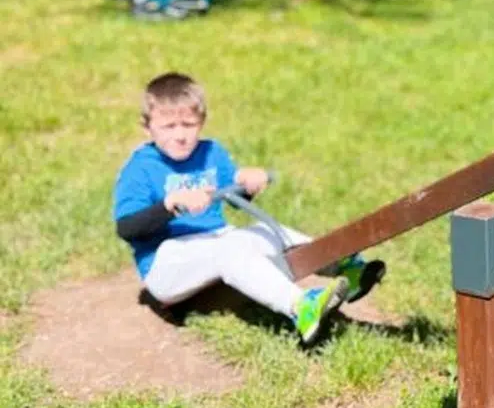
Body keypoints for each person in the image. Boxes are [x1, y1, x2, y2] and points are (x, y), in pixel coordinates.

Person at [112, 73, 387, 347]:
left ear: (202, 122)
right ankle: (300, 307)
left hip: (218, 238)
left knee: (264, 232)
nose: (181, 135)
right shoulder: (140, 168)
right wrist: (169, 205)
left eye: (188, 124)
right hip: (168, 261)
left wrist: (248, 182)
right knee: (229, 250)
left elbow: (234, 193)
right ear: (147, 127)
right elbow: (127, 228)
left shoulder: (210, 152)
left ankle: (344, 267)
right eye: (169, 126)